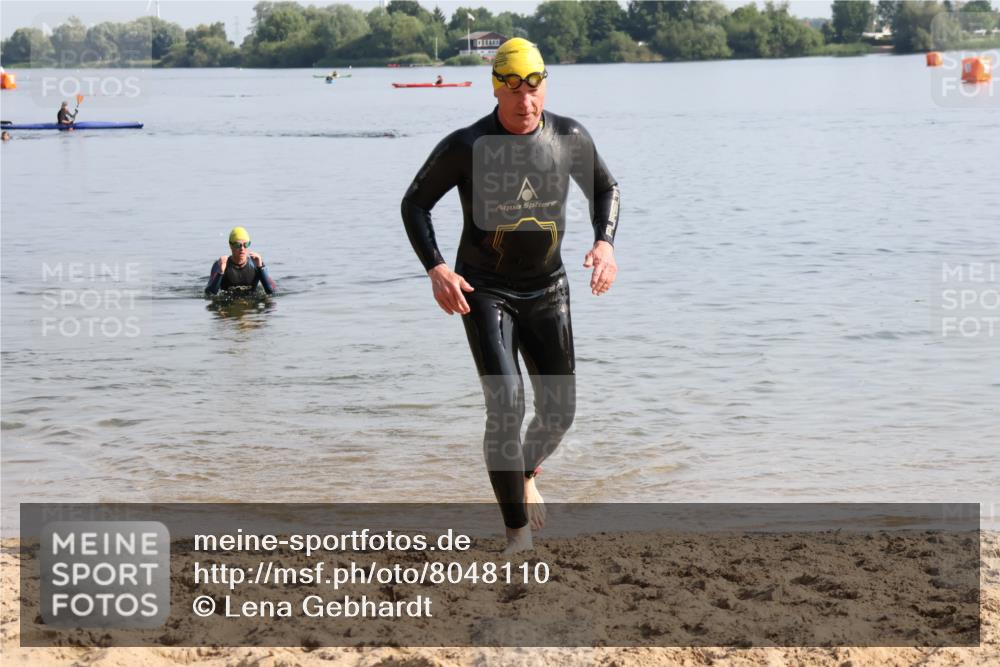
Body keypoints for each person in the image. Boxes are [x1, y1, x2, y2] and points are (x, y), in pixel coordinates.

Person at [401, 38, 620, 555]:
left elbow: (607, 190)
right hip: (485, 290)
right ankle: (517, 536)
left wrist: (606, 244)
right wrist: (436, 268)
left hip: (548, 289)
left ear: (546, 84)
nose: (527, 101)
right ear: (497, 88)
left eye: (535, 87)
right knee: (506, 404)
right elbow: (415, 204)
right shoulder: (466, 145)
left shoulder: (568, 136)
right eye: (515, 89)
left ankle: (524, 473)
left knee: (558, 413)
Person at [205, 227, 276, 296]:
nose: (242, 248)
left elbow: (272, 291)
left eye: (246, 244)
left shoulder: (256, 263)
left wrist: (260, 268)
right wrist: (220, 272)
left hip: (251, 306)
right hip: (228, 305)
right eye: (237, 245)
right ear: (230, 245)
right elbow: (209, 293)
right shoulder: (221, 264)